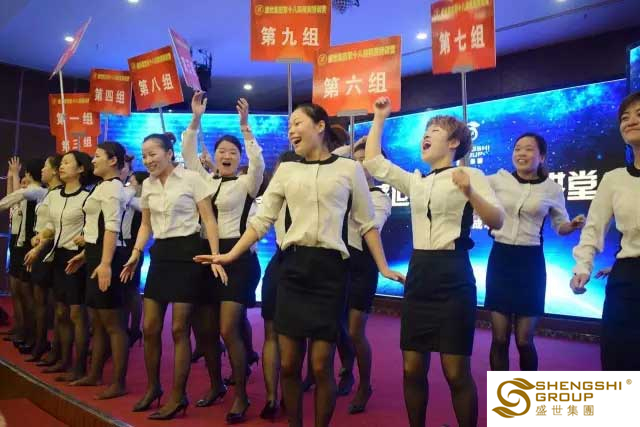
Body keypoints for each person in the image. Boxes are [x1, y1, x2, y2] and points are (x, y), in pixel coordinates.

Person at [194, 103, 404, 427]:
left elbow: (367, 224)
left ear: (320, 126)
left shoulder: (348, 169)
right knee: (290, 364)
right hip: (292, 268)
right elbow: (262, 220)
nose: (291, 130)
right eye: (289, 125)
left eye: (297, 123)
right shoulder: (287, 170)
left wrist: (384, 267)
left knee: (321, 366)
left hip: (331, 271)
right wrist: (230, 254)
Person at [363, 97, 504, 427]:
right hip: (420, 275)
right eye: (425, 131)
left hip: (454, 275)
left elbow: (497, 220)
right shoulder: (417, 181)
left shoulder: (470, 174)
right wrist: (379, 117)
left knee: (455, 371)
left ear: (454, 143)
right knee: (412, 367)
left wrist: (470, 192)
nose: (426, 135)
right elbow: (373, 162)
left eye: (435, 130)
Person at [120, 132, 227, 420]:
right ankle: (153, 388)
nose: (148, 160)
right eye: (144, 155)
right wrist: (136, 253)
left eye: (153, 154)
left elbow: (208, 219)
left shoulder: (192, 179)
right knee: (150, 327)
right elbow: (146, 225)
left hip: (189, 254)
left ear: (169, 153)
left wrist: (215, 255)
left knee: (180, 329)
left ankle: (178, 395)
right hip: (161, 256)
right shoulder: (148, 185)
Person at [181, 92, 264, 422]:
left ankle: (241, 394)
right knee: (204, 331)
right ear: (214, 157)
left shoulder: (247, 183)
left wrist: (245, 127)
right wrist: (195, 118)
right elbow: (188, 155)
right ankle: (216, 384)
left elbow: (258, 164)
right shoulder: (204, 179)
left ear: (239, 157)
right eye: (221, 151)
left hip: (239, 258)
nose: (226, 155)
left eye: (232, 152)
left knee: (229, 328)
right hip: (206, 257)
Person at [484, 133, 585, 371]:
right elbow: (472, 187)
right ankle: (503, 394)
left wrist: (572, 226)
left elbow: (561, 226)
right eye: (518, 148)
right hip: (501, 259)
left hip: (530, 264)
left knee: (524, 340)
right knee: (499, 339)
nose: (521, 153)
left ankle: (527, 391)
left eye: (529, 149)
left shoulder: (552, 189)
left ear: (542, 157)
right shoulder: (498, 180)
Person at [571, 91, 640, 370]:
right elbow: (594, 228)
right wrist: (582, 267)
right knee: (619, 364)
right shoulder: (614, 179)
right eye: (625, 117)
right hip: (628, 281)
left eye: (639, 115)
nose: (631, 121)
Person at [63, 142, 130, 399]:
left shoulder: (113, 188)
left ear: (113, 161)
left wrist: (105, 263)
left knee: (113, 323)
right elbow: (96, 228)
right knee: (99, 322)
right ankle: (94, 374)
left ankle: (119, 382)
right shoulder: (102, 186)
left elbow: (111, 228)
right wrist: (85, 256)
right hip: (95, 253)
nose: (93, 160)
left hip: (108, 256)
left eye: (98, 156)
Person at [332, 137, 392, 413]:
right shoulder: (340, 190)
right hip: (337, 264)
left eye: (365, 162)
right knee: (335, 326)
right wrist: (353, 144)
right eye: (355, 161)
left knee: (356, 331)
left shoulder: (379, 197)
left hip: (362, 266)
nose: (359, 166)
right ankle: (346, 369)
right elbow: (331, 157)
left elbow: (371, 225)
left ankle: (365, 385)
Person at [26, 151, 94, 382]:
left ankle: (79, 366)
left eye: (67, 163)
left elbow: (95, 228)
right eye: (61, 163)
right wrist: (40, 240)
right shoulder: (54, 196)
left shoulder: (87, 198)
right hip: (57, 256)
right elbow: (51, 227)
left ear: (81, 169)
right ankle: (63, 360)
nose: (61, 167)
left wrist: (85, 241)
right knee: (60, 311)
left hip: (77, 258)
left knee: (76, 313)